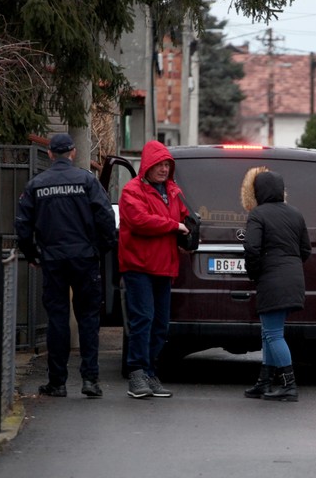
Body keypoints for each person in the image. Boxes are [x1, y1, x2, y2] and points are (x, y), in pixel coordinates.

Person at [15, 133, 116, 398]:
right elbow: (105, 217)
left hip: (53, 260)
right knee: (88, 318)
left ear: (49, 154)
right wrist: (101, 249)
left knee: (57, 319)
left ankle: (57, 382)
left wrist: (32, 255)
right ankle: (90, 380)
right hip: (84, 259)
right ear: (72, 153)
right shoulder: (86, 180)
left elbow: (22, 226)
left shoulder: (37, 184)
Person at [118, 140, 190, 399]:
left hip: (164, 267)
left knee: (160, 324)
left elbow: (183, 218)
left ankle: (149, 371)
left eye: (166, 165)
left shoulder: (172, 191)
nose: (162, 169)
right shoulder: (131, 190)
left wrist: (186, 240)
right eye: (158, 164)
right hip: (139, 267)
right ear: (146, 165)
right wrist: (174, 227)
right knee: (143, 320)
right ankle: (137, 373)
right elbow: (139, 221)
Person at [240, 167, 311, 402]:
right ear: (281, 190)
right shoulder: (295, 214)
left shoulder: (258, 215)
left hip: (271, 279)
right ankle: (264, 381)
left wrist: (255, 272)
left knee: (273, 333)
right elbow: (305, 250)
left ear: (257, 191)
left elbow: (251, 248)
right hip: (293, 278)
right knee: (268, 332)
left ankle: (289, 385)